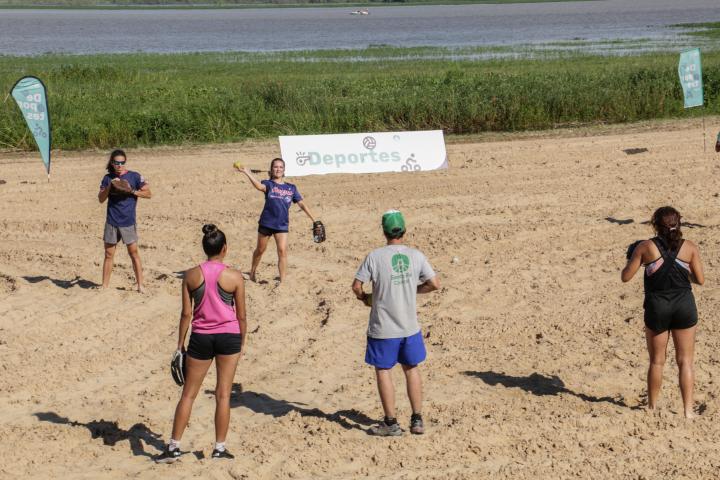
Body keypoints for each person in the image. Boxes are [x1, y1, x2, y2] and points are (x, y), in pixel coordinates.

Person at [156, 224, 247, 463]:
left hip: (201, 337)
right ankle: (219, 448)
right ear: (225, 249)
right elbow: (241, 315)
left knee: (188, 395)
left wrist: (179, 345)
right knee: (223, 394)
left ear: (205, 248)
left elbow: (186, 314)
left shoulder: (190, 275)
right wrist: (242, 340)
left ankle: (174, 447)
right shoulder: (235, 276)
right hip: (229, 337)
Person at [352, 210, 440, 436]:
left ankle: (391, 423)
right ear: (404, 230)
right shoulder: (416, 255)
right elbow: (434, 284)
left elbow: (356, 286)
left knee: (383, 371)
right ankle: (417, 419)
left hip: (383, 327)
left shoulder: (374, 256)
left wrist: (366, 299)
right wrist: (414, 290)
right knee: (411, 369)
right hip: (409, 326)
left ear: (383, 231)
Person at [621, 206, 704, 419]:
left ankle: (652, 407)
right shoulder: (690, 247)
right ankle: (687, 411)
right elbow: (700, 280)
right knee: (685, 361)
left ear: (655, 226)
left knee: (657, 361)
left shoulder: (645, 247)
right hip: (684, 306)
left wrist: (632, 258)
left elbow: (625, 277)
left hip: (658, 307)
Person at [236, 158, 317, 283]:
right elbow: (259, 186)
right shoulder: (268, 184)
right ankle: (252, 272)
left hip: (281, 225)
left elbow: (302, 205)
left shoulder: (291, 188)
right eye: (275, 167)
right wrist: (247, 173)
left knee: (282, 251)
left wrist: (314, 220)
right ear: (271, 169)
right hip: (266, 223)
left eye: (280, 167)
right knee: (260, 250)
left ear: (284, 170)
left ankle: (283, 280)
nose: (278, 169)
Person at [98, 149, 151, 292]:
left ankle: (140, 285)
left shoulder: (134, 176)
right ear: (112, 163)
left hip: (128, 221)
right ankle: (105, 285)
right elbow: (101, 199)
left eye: (122, 162)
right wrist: (110, 186)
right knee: (108, 254)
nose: (119, 165)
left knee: (134, 253)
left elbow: (148, 193)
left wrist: (132, 191)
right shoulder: (107, 178)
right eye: (117, 163)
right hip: (112, 221)